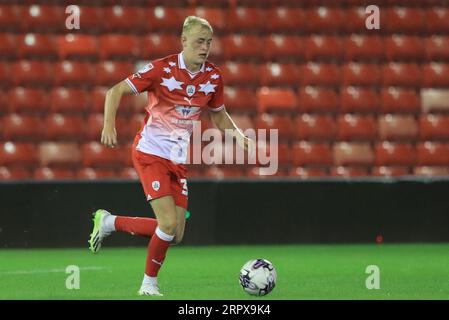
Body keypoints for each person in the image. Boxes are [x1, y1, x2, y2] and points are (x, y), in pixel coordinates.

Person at [88, 16, 253, 296]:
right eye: (200, 41)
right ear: (184, 41)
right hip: (150, 152)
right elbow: (114, 91)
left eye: (209, 42)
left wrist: (237, 134)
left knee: (175, 235)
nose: (205, 47)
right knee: (166, 224)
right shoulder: (160, 69)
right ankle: (148, 284)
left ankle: (109, 222)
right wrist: (108, 124)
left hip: (178, 159)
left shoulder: (213, 77)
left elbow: (219, 115)